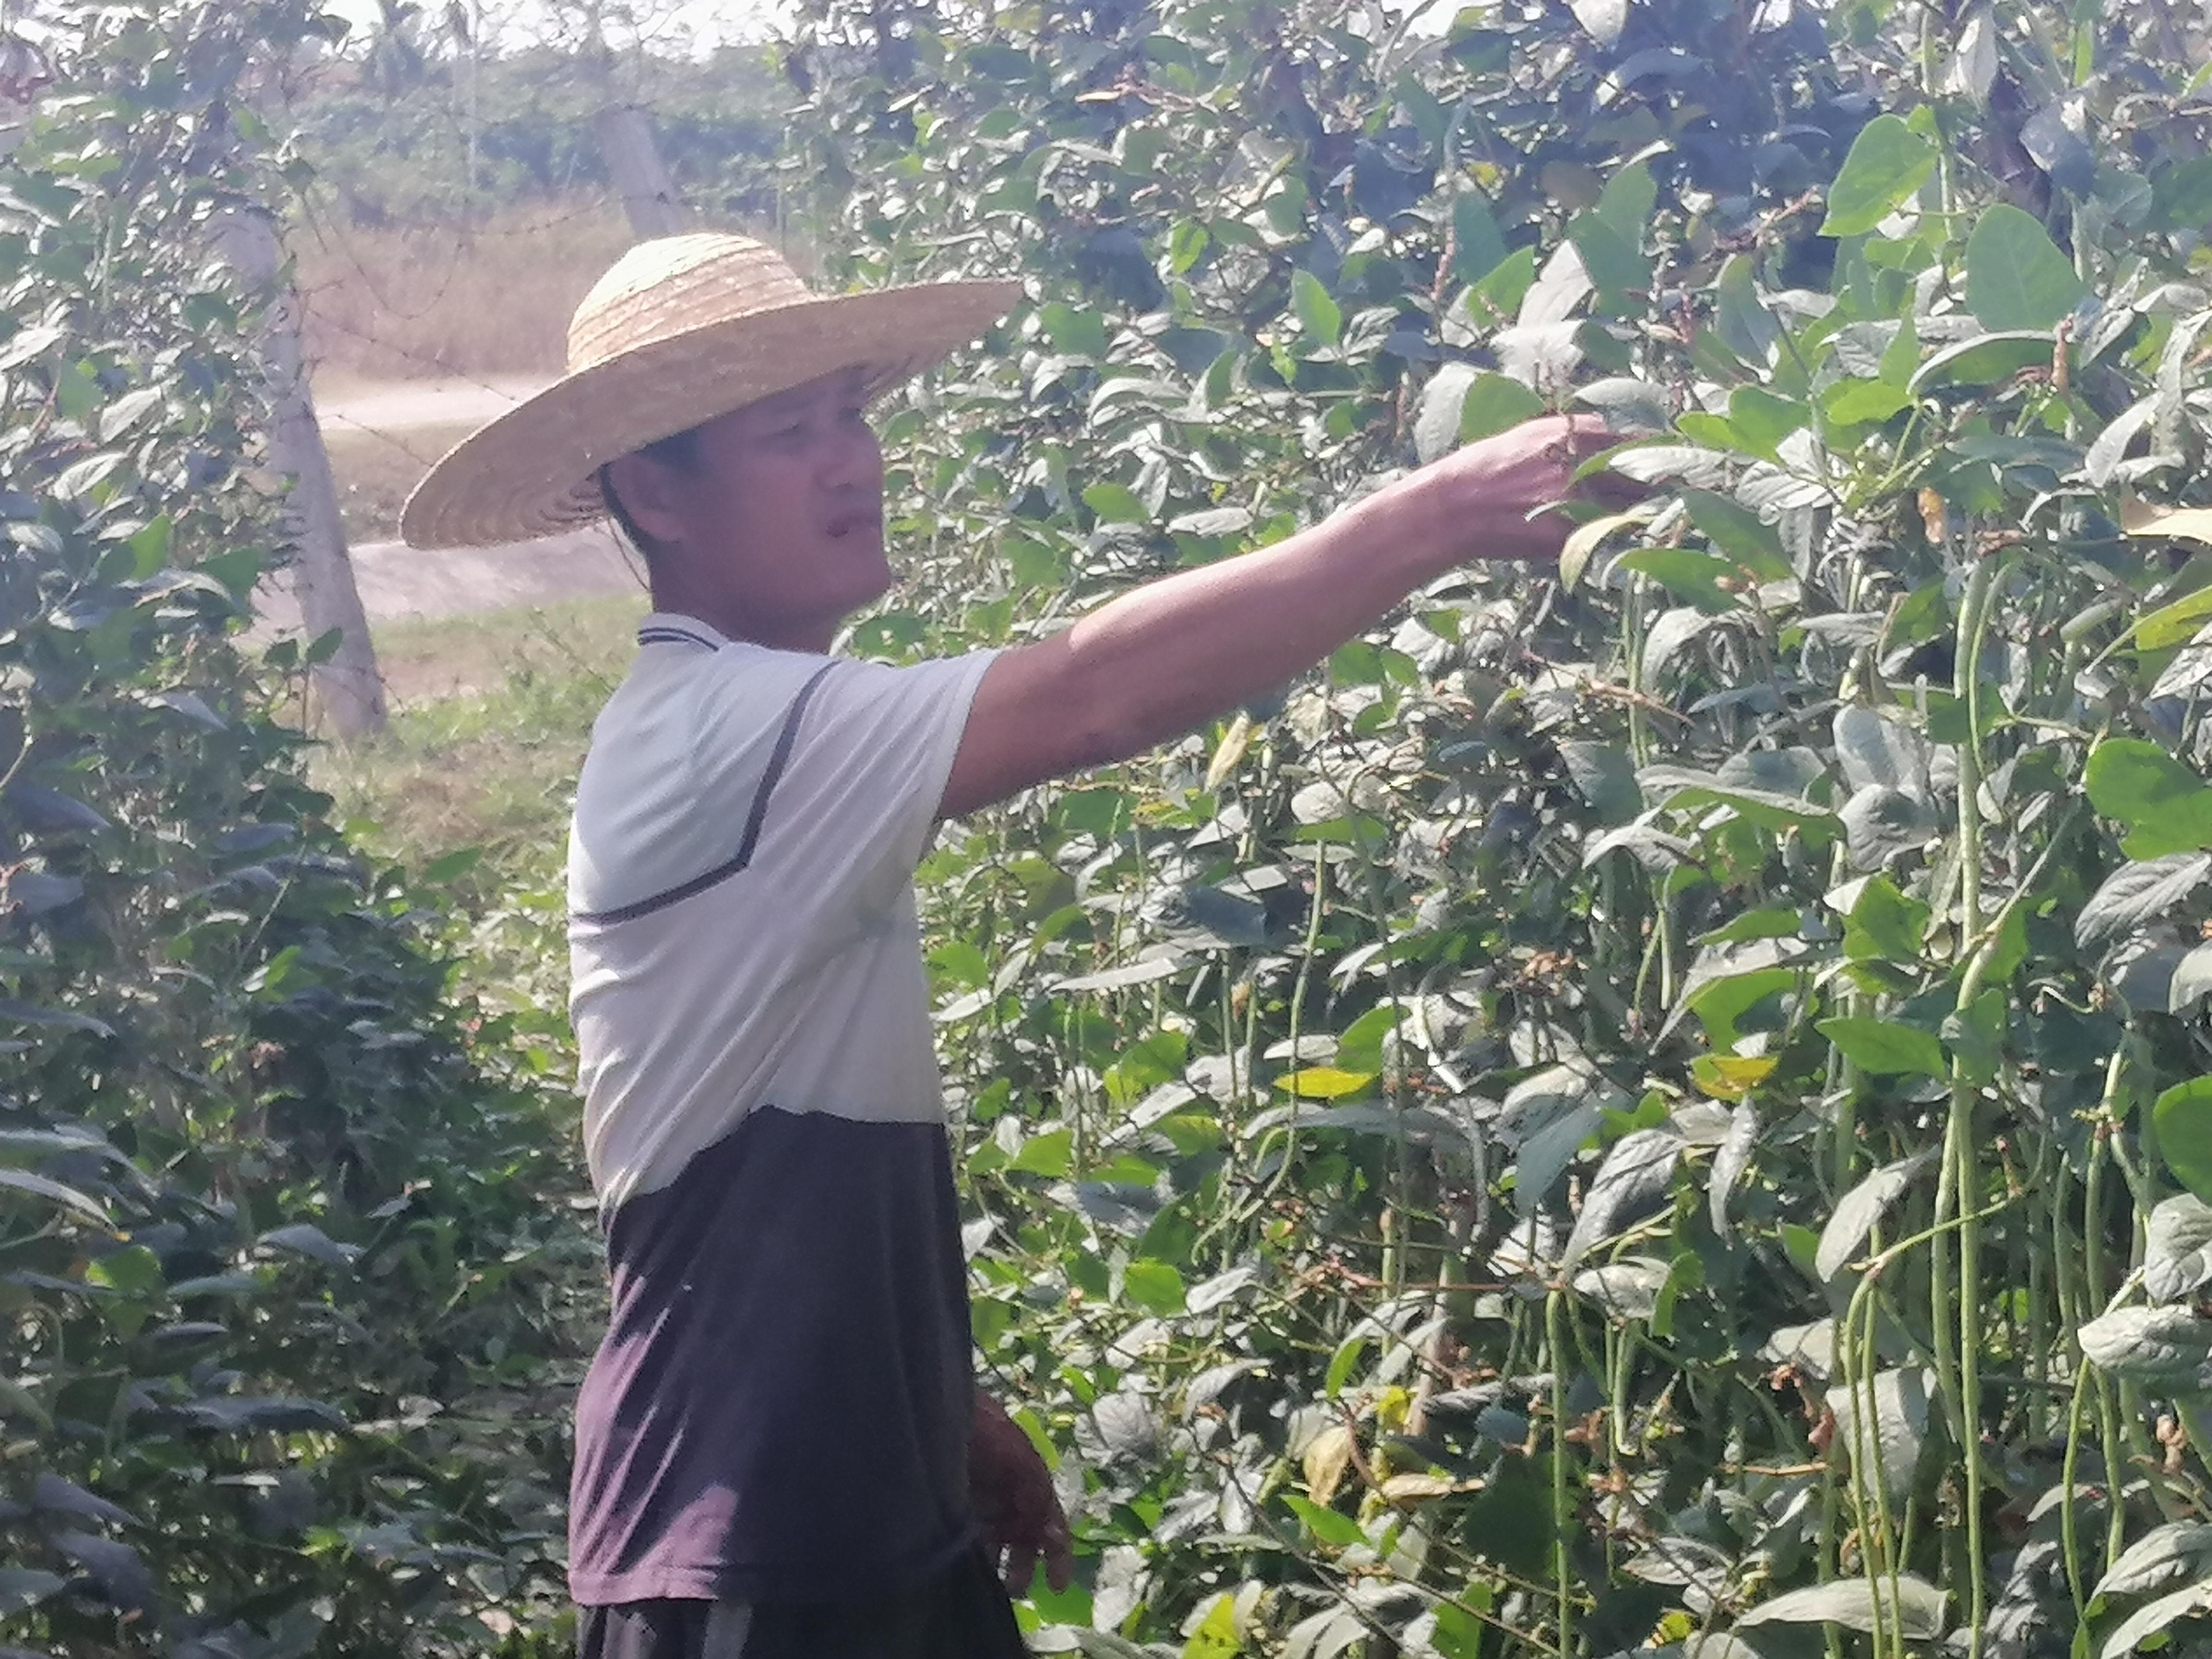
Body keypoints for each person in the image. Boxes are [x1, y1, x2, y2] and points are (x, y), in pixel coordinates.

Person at [401, 231, 1624, 1659]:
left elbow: (766, 1126)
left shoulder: (765, 728)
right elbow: (1094, 696)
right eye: (788, 433)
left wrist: (936, 1401)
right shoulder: (716, 731)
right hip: (741, 1554)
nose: (849, 461)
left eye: (851, 415)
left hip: (859, 1514)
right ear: (653, 494)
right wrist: (1438, 515)